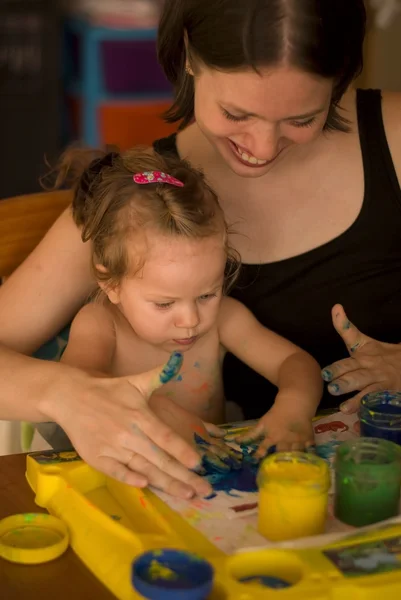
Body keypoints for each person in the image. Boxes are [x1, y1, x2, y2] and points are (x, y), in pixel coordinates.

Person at [0, 0, 400, 496]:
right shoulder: (135, 205)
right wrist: (70, 394)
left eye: (302, 117)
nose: (263, 146)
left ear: (339, 78)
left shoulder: (395, 141)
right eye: (236, 113)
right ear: (189, 54)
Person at [46, 146, 321, 469]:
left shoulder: (225, 318)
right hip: (120, 469)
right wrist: (155, 412)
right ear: (112, 285)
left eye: (207, 295)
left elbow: (294, 361)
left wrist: (294, 404)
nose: (191, 320)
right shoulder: (100, 324)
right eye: (164, 304)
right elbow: (80, 385)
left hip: (208, 472)